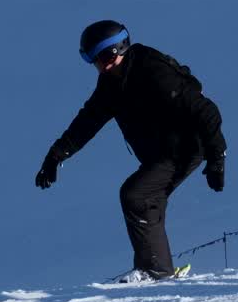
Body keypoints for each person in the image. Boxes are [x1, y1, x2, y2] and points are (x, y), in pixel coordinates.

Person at [37, 20, 227, 281]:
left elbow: (206, 112)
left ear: (118, 50)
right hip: (160, 152)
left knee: (136, 195)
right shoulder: (111, 83)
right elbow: (87, 121)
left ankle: (153, 271)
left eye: (103, 58)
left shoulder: (153, 72)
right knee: (147, 201)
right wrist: (56, 155)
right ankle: (160, 271)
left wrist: (217, 157)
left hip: (184, 147)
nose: (99, 66)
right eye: (93, 60)